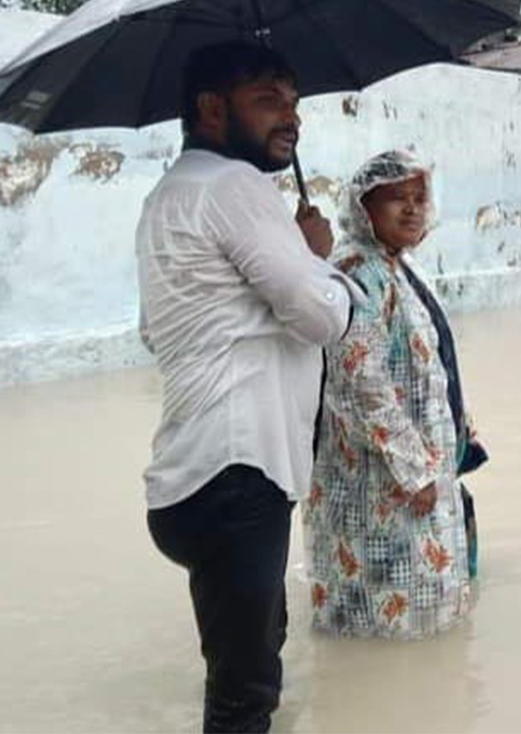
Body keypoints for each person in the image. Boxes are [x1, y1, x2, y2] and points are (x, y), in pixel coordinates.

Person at [136, 41, 360, 733]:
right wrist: (316, 257)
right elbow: (320, 316)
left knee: (256, 654)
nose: (290, 117)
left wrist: (288, 264)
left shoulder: (167, 196)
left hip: (191, 476)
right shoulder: (236, 189)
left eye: (293, 101)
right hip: (240, 474)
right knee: (243, 698)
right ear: (210, 107)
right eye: (268, 99)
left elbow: (156, 331)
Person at [305, 150, 485, 639]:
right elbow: (362, 385)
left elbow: (428, 360)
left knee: (420, 600)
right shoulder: (357, 272)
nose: (411, 209)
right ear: (364, 208)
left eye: (418, 198)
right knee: (379, 604)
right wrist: (415, 468)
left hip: (419, 469)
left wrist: (457, 426)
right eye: (395, 200)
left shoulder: (397, 265)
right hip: (384, 479)